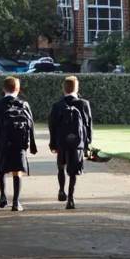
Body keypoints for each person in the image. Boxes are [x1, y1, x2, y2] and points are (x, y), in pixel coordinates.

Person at [0, 76, 37, 211]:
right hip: (19, 144)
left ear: (4, 89)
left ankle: (3, 196)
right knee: (17, 171)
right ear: (17, 89)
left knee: (1, 170)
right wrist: (31, 146)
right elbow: (31, 125)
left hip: (1, 143)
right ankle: (16, 201)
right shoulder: (24, 105)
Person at [48, 75, 93, 210]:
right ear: (77, 88)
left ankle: (62, 190)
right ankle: (71, 198)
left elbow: (52, 125)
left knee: (61, 166)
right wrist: (87, 144)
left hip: (62, 141)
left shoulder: (58, 105)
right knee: (73, 170)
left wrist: (53, 143)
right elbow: (88, 124)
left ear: (64, 89)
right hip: (77, 142)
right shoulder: (83, 104)